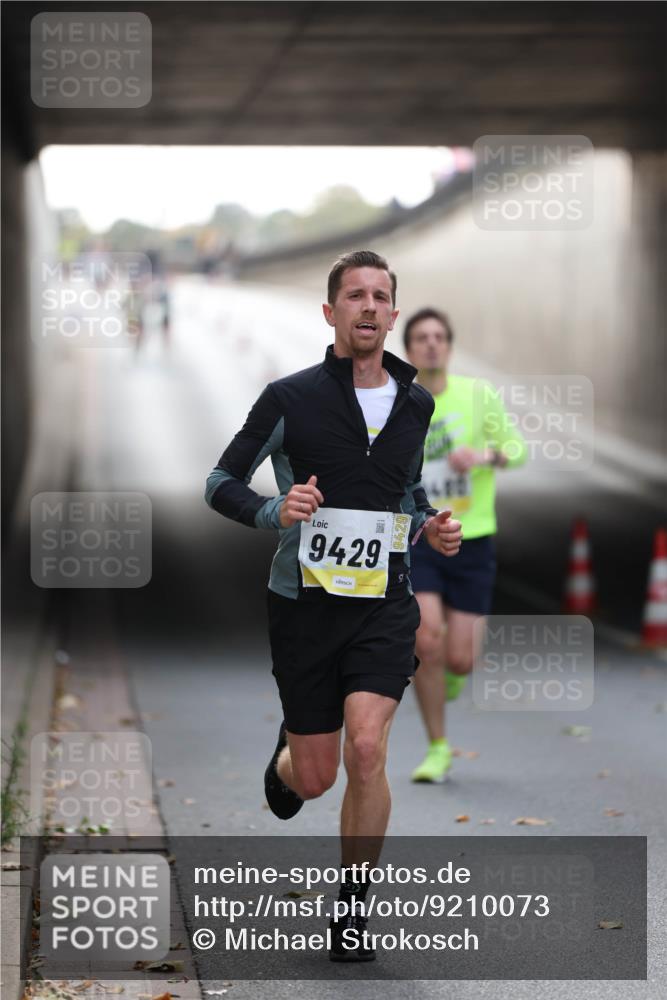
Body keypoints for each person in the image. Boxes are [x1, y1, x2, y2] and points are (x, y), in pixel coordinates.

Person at [205, 252, 462, 962]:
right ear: (331, 313)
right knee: (314, 779)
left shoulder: (415, 404)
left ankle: (351, 914)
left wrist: (432, 523)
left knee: (369, 748)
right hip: (305, 607)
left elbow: (406, 496)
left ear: (393, 313)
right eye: (355, 295)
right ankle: (287, 760)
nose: (369, 307)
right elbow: (220, 479)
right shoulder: (289, 398)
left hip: (385, 604)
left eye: (381, 296)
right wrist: (272, 510)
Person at [403, 308, 527, 784]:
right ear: (409, 349)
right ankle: (438, 747)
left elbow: (517, 450)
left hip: (472, 538)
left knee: (460, 657)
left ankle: (450, 675)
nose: (431, 345)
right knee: (426, 639)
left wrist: (483, 456)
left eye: (439, 337)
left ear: (448, 347)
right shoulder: (400, 403)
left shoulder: (478, 395)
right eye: (421, 338)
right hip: (421, 536)